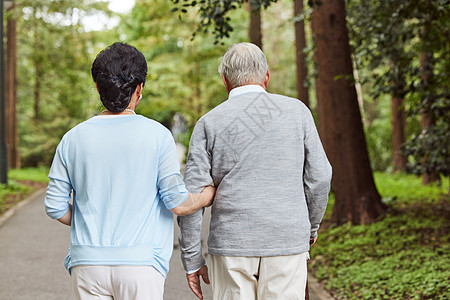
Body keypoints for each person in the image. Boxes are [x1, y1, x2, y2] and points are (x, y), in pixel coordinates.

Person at [44, 42, 215, 300]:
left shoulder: (72, 138)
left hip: (87, 263)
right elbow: (177, 203)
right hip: (141, 264)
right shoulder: (158, 136)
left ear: (99, 87)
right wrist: (206, 195)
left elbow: (55, 206)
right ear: (139, 88)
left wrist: (88, 220)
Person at [178, 42, 332, 300]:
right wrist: (310, 228)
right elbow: (320, 177)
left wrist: (192, 259)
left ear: (225, 80)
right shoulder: (297, 113)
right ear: (266, 76)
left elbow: (193, 196)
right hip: (286, 240)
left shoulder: (208, 123)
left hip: (231, 246)